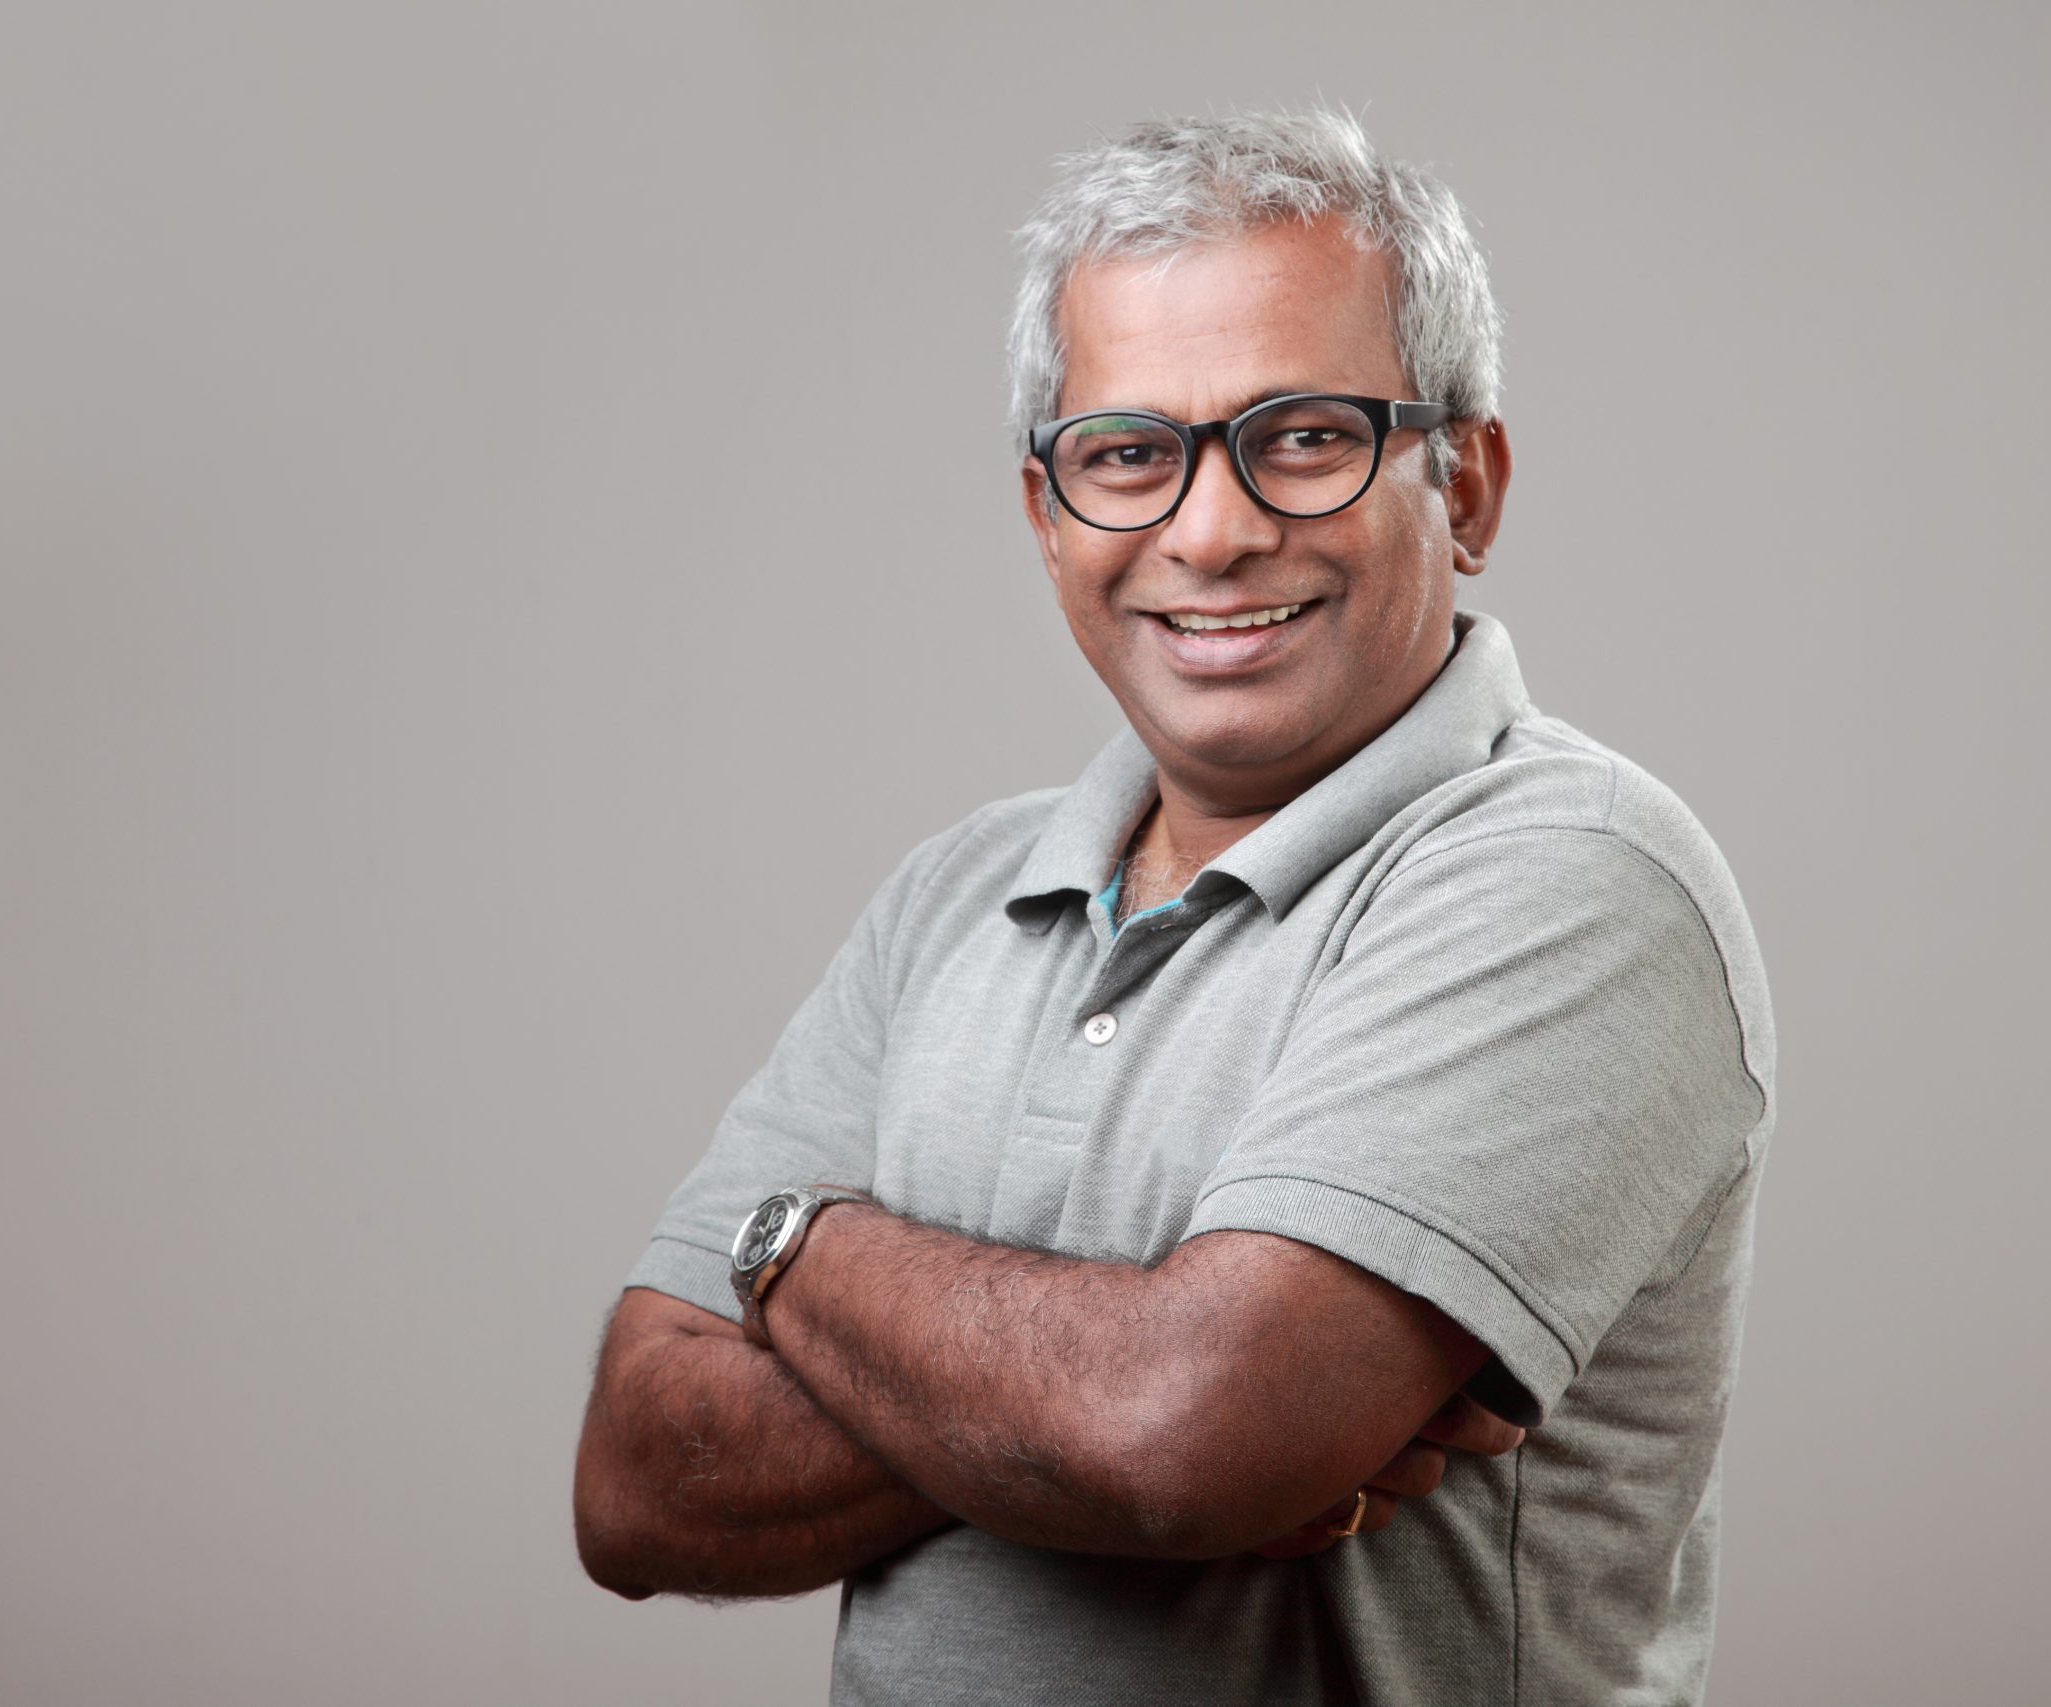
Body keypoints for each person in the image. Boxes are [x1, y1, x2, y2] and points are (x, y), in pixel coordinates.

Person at [573, 108, 1777, 1705]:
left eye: (1301, 435)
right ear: (1048, 514)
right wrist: (1100, 1376)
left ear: (1466, 483)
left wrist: (791, 1265)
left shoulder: (1572, 876)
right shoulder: (951, 895)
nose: (1210, 533)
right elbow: (636, 1483)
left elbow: (1181, 1437)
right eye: (1130, 453)